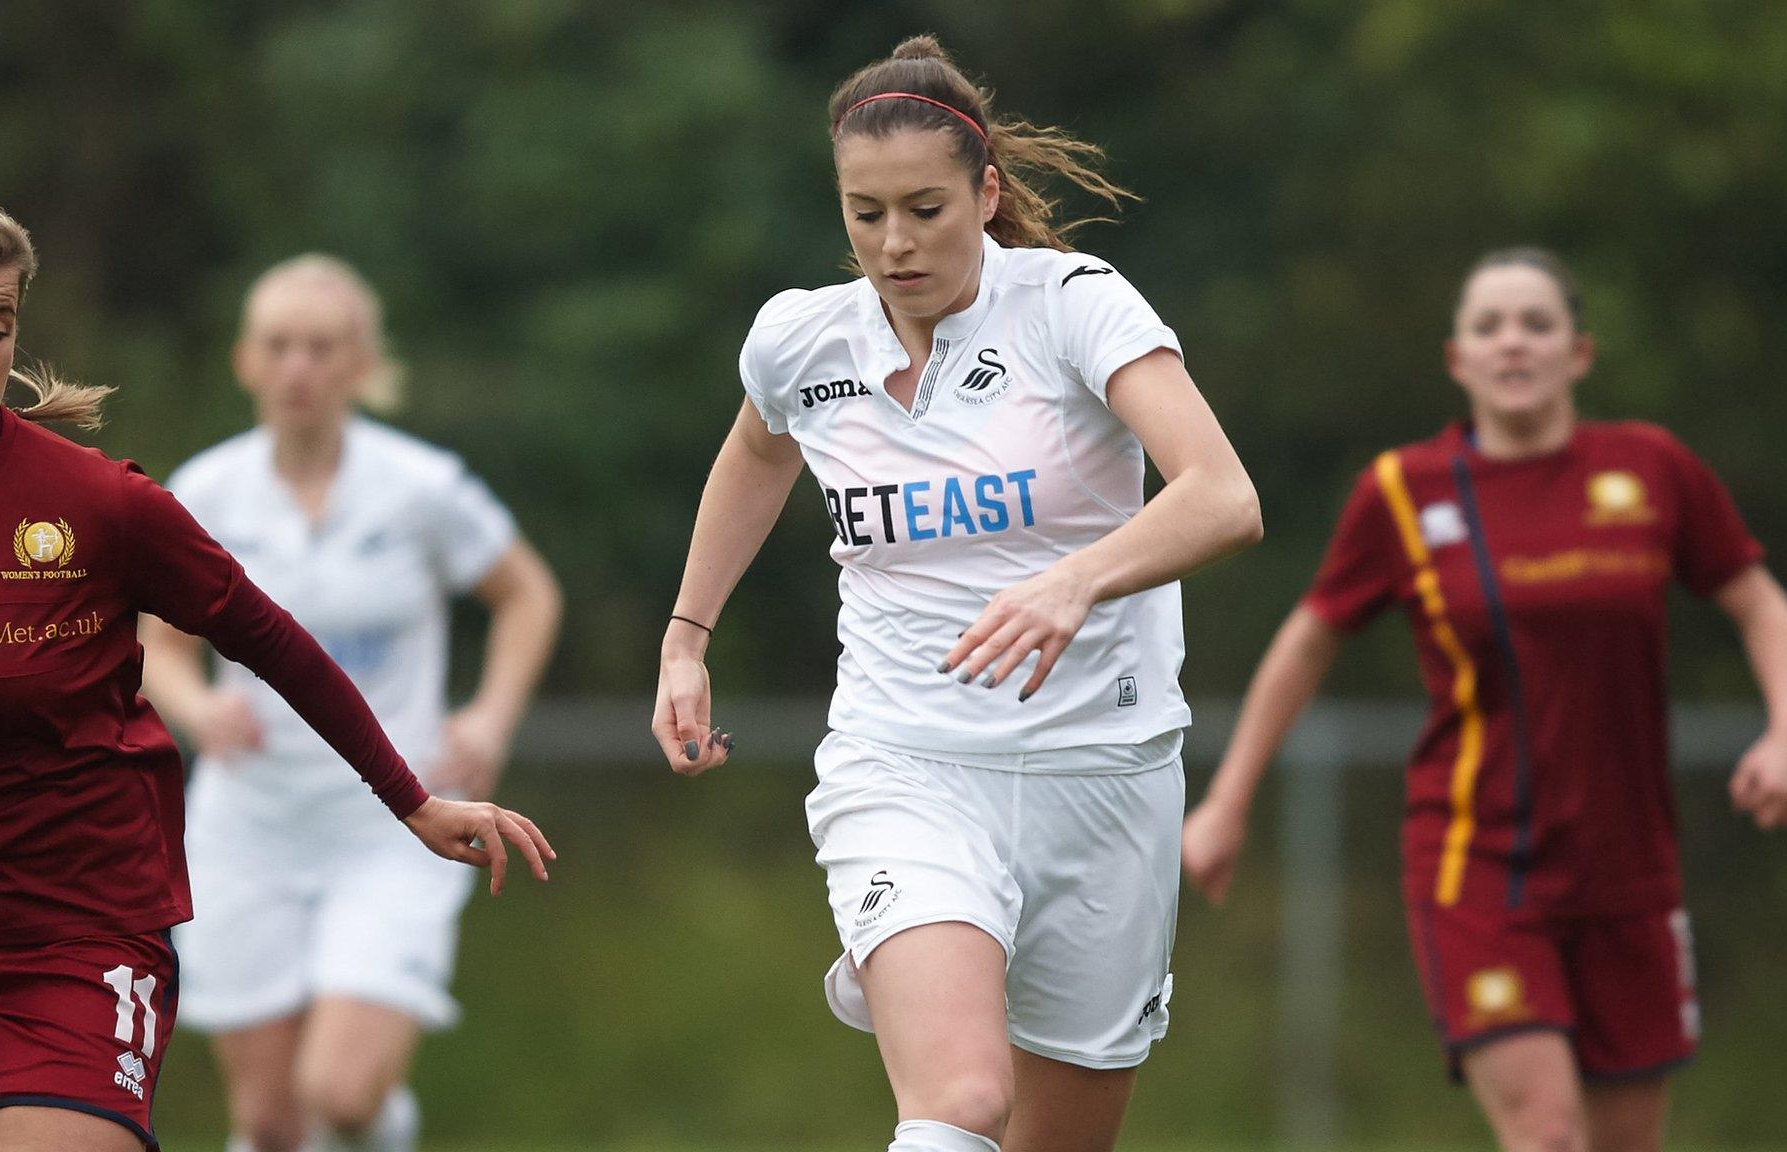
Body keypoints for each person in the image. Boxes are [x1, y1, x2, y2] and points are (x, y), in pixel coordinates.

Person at [0, 191, 554, 1152]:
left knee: (306, 1101)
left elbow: (275, 642)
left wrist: (412, 801)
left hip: (79, 931)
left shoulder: (98, 502)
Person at [651, 36, 1261, 1152]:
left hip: (1101, 776)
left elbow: (1221, 498)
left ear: (984, 193)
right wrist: (686, 636)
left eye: (925, 209)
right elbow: (754, 451)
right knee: (958, 1106)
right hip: (906, 765)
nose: (894, 243)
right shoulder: (801, 338)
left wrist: (1074, 580)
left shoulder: (1072, 304)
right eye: (864, 213)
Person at [1181, 248, 1787, 1152]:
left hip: (1629, 868)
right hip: (1479, 863)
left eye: (1536, 324)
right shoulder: (1405, 490)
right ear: (1457, 359)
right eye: (1489, 326)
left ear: (1578, 353)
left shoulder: (1652, 469)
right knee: (1547, 1136)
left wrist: (1783, 729)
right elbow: (1310, 639)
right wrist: (1228, 802)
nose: (1514, 343)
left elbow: (1754, 598)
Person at [136, 254, 562, 1152]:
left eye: (322, 347)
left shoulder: (422, 488)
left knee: (342, 1091)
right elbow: (151, 638)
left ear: (361, 363)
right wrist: (193, 708)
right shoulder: (206, 492)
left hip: (391, 829)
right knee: (268, 1121)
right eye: (278, 346)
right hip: (248, 825)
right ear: (246, 361)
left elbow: (527, 594)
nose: (299, 367)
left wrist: (488, 717)